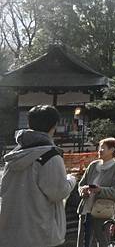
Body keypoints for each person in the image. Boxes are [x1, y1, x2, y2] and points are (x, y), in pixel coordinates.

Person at [0, 105, 78, 247]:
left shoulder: (14, 156)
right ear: (54, 126)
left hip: (11, 232)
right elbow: (58, 192)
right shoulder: (50, 156)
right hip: (40, 234)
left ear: (29, 124)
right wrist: (71, 179)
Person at [77, 138, 115, 247]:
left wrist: (100, 190)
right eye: (99, 147)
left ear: (112, 150)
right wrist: (83, 190)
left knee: (104, 243)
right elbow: (80, 184)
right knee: (82, 243)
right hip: (86, 210)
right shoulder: (93, 165)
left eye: (103, 147)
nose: (99, 150)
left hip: (103, 212)